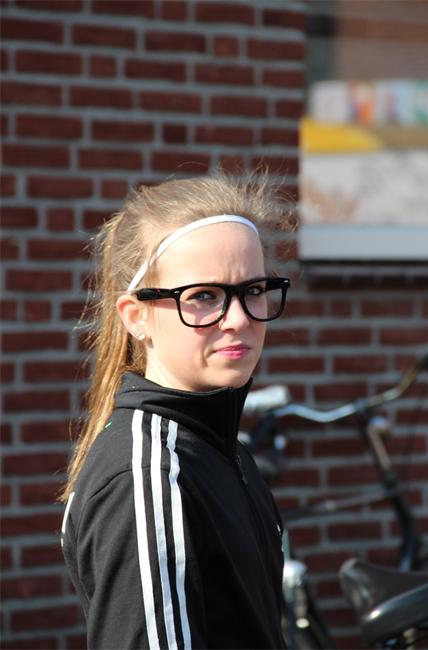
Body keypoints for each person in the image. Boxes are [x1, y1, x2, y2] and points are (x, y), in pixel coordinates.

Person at [60, 173, 292, 650]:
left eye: (253, 290)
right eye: (204, 296)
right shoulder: (148, 476)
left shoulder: (222, 448)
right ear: (136, 317)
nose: (239, 319)